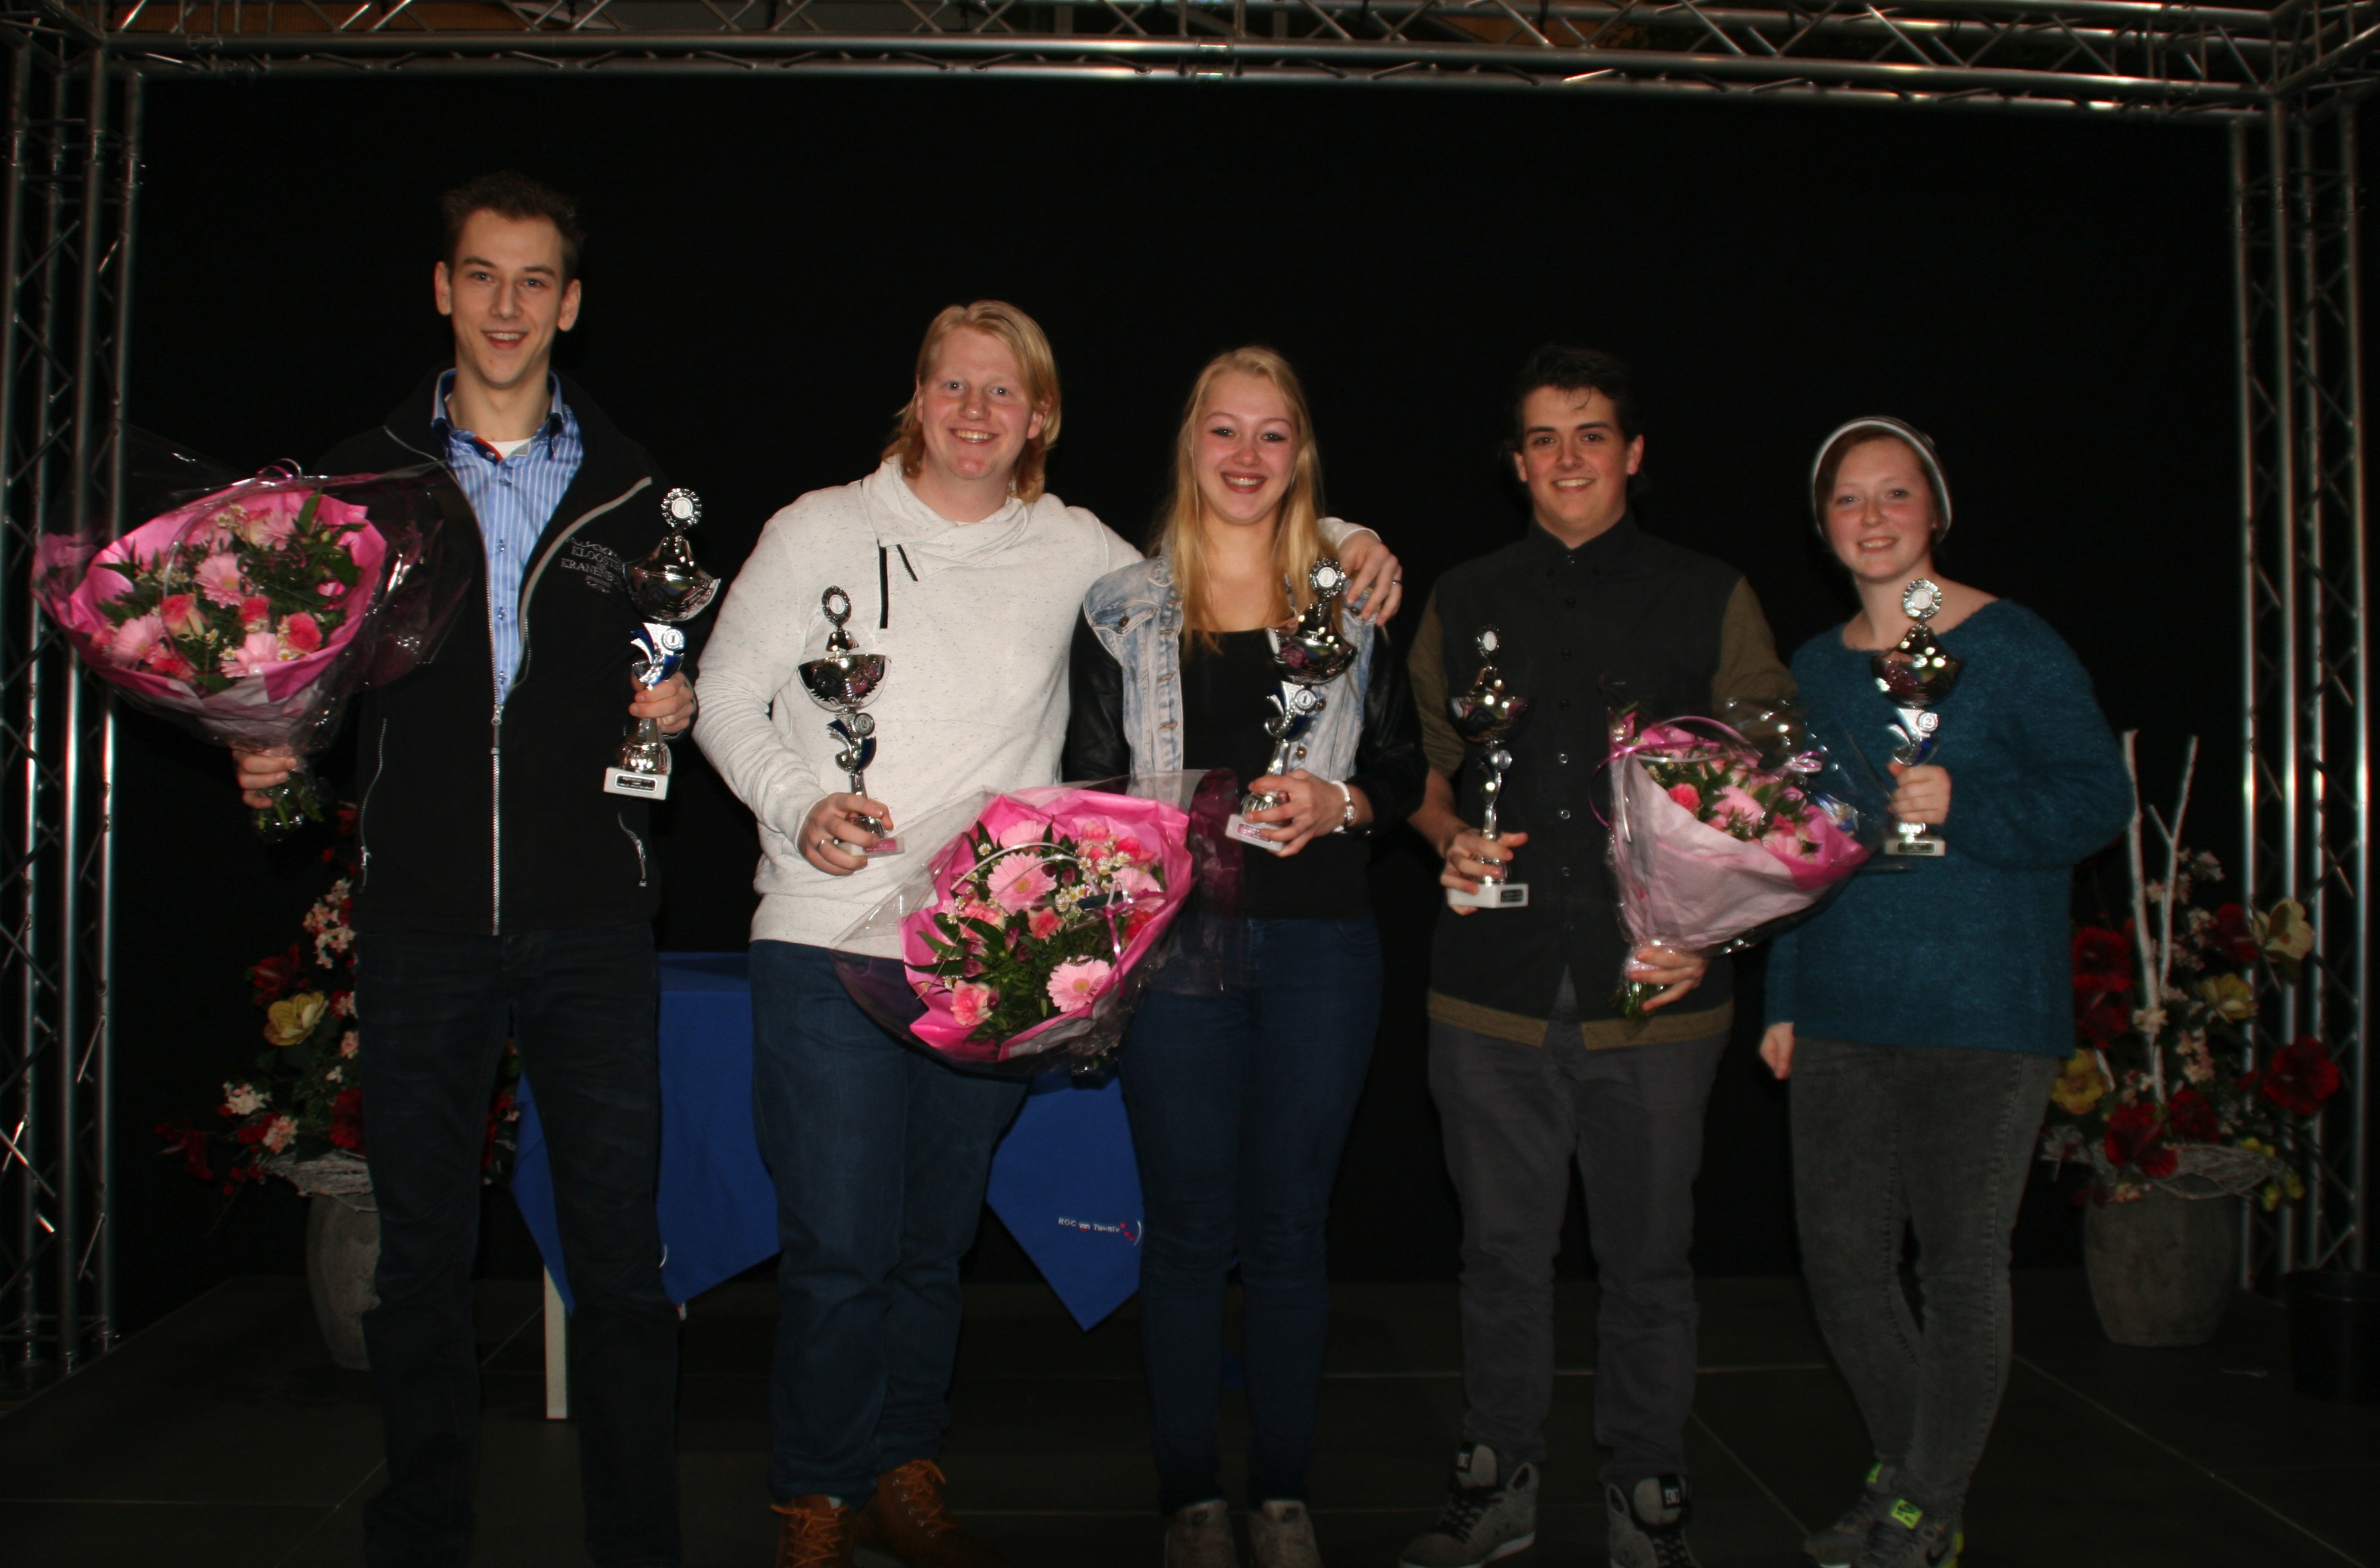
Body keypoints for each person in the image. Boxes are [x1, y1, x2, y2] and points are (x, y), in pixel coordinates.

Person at [692, 304, 1402, 1568]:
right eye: (953, 387)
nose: (977, 412)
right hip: (824, 929)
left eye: (1004, 394)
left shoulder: (1082, 552)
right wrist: (800, 807)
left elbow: (1235, 541)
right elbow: (720, 698)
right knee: (841, 1243)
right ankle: (814, 1492)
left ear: (1042, 417)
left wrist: (1348, 535)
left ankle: (907, 1466)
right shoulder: (815, 529)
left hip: (990, 954)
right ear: (916, 396)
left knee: (931, 1242)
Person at [233, 172, 694, 1568]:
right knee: (419, 1264)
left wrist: (669, 711)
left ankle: (639, 1544)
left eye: (534, 279)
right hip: (421, 921)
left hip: (594, 922)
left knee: (618, 1265)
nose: (507, 305)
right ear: (442, 289)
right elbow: (303, 679)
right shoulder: (357, 476)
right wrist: (277, 750)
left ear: (572, 303)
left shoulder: (642, 495)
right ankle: (420, 1535)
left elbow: (663, 686)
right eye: (481, 276)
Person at [1398, 346, 1795, 1568]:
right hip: (1492, 993)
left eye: (1590, 433)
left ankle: (1646, 1487)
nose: (1566, 457)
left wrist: (1716, 927)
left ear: (1633, 452)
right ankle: (1498, 1473)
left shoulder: (1711, 591)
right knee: (1500, 1257)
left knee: (1650, 1264)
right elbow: (1411, 762)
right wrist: (1447, 832)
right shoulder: (1462, 597)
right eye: (1542, 438)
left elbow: (1773, 785)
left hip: (1658, 995)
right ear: (1516, 462)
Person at [1063, 348, 1427, 1568]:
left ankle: (1280, 1492)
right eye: (1225, 431)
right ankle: (1188, 1499)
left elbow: (1400, 772)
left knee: (1287, 1229)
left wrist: (1347, 806)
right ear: (1191, 445)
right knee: (1183, 1229)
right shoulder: (1120, 605)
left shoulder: (1354, 594)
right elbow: (1093, 784)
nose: (1247, 458)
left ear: (1301, 455)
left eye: (1274, 436)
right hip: (1176, 956)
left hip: (1323, 948)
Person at [1759, 419, 2129, 1568]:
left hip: (1985, 1006)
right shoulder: (1815, 669)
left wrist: (1965, 802)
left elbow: (2097, 799)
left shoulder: (2013, 645)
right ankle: (1912, 1473)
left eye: (1895, 495)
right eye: (1848, 501)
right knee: (1843, 1266)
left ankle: (1921, 1506)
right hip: (1841, 1007)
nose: (1873, 519)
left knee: (1961, 1266)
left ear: (1936, 508)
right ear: (1823, 526)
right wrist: (1782, 991)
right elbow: (1798, 841)